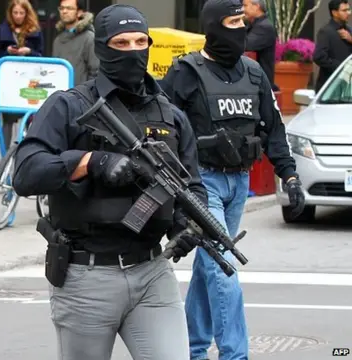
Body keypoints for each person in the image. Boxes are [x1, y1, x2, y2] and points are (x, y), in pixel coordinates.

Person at [12, 5, 205, 359]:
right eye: (121, 42)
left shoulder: (171, 115)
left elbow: (191, 185)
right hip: (87, 275)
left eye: (140, 41)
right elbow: (25, 173)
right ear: (102, 47)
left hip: (152, 271)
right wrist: (90, 161)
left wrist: (189, 221)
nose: (133, 50)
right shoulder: (68, 106)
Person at [160, 1, 306, 359]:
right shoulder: (185, 73)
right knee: (223, 267)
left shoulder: (254, 74)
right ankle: (234, 354)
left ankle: (192, 349)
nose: (241, 28)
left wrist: (289, 175)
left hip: (239, 183)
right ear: (213, 26)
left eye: (243, 21)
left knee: (208, 268)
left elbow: (273, 130)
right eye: (233, 21)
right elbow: (161, 128)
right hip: (200, 184)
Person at [0, 0, 44, 149]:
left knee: (30, 116)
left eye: (21, 13)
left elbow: (42, 55)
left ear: (27, 13)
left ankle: (28, 149)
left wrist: (29, 52)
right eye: (15, 13)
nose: (18, 16)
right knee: (8, 118)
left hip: (30, 78)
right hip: (10, 78)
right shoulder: (4, 28)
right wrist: (8, 51)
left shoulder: (35, 30)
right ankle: (5, 154)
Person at [53, 0, 98, 86]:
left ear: (79, 13)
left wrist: (87, 95)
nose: (64, 11)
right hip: (60, 94)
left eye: (69, 8)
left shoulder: (89, 38)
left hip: (81, 96)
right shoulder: (57, 40)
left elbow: (95, 72)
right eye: (61, 8)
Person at [314, 0, 352, 91]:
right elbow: (319, 57)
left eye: (349, 10)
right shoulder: (326, 32)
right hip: (330, 88)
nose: (349, 13)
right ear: (334, 12)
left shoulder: (350, 31)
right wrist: (341, 68)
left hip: (348, 88)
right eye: (344, 10)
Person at [243, 0, 278, 90]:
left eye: (245, 6)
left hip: (260, 84)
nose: (242, 9)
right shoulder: (253, 25)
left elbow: (246, 45)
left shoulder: (264, 27)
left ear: (256, 6)